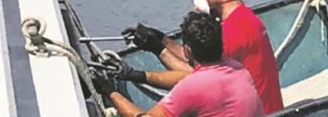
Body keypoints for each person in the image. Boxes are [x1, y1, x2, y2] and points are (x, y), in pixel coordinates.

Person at [124, 0, 284, 114]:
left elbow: (196, 77)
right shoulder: (245, 18)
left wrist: (157, 50)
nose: (198, 0)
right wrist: (162, 39)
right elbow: (198, 57)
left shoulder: (234, 29)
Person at [97, 12, 264, 117]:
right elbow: (190, 76)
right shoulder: (238, 69)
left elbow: (190, 82)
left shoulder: (193, 87)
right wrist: (136, 74)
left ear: (187, 51)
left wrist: (110, 92)